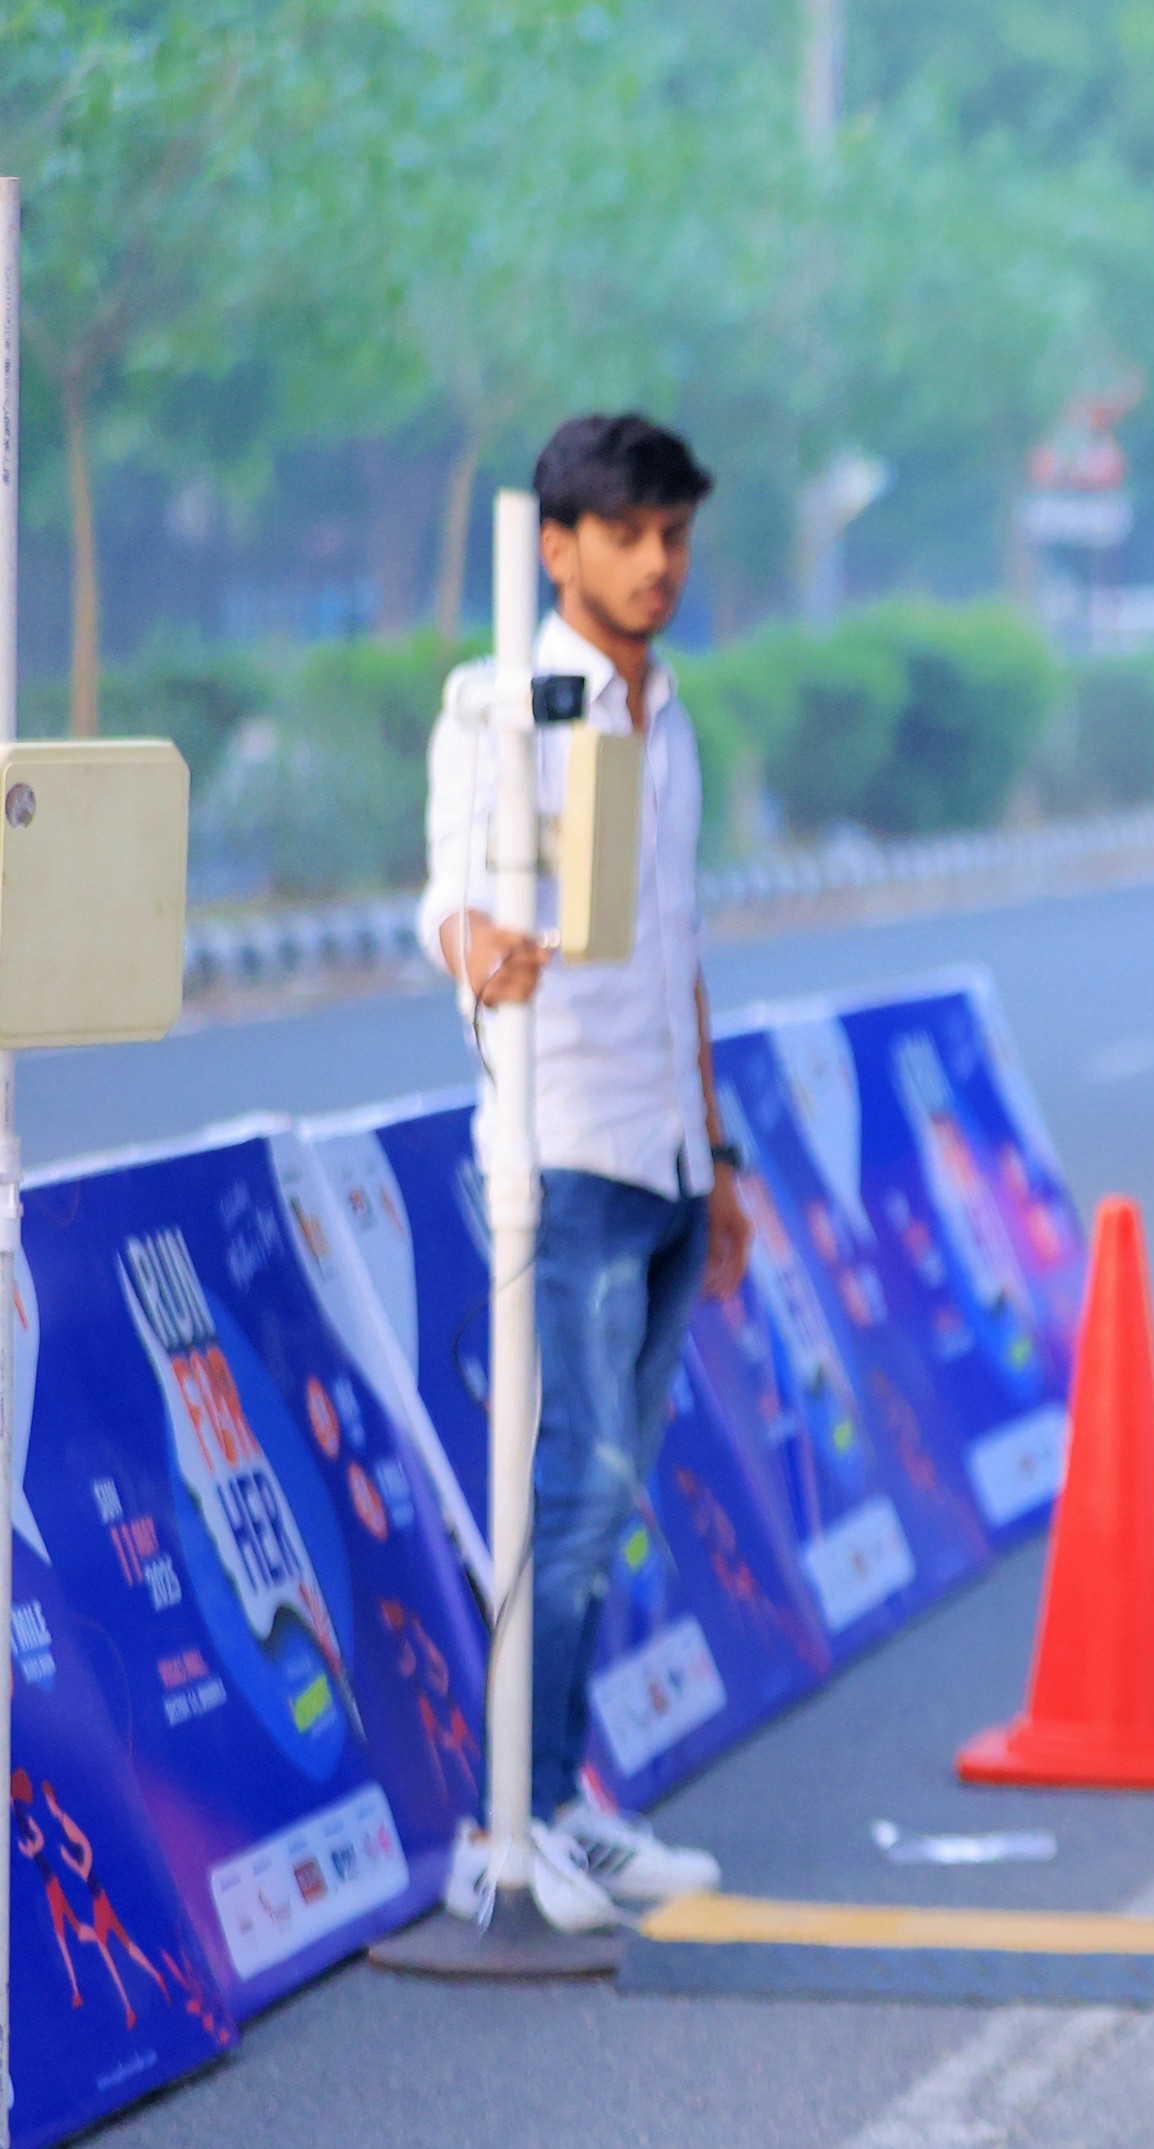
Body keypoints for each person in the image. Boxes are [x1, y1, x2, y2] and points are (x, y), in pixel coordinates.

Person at [414, 413, 746, 1930]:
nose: (658, 562)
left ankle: (553, 1805)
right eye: (629, 535)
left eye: (674, 535)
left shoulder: (667, 713)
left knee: (608, 1498)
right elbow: (445, 895)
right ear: (557, 547)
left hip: (665, 1150)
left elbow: (679, 946)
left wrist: (718, 1157)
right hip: (568, 1151)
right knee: (577, 1484)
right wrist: (474, 944)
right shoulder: (503, 703)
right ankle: (505, 1826)